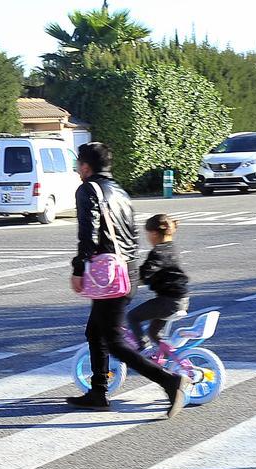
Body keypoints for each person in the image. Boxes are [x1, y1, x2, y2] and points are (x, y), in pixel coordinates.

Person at [67, 142, 190, 417]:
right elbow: (131, 235)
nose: (77, 169)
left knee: (114, 341)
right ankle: (98, 392)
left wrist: (78, 268)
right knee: (95, 331)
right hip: (127, 269)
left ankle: (170, 381)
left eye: (78, 164)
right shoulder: (120, 191)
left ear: (86, 167)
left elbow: (88, 232)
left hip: (109, 272)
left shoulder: (87, 189)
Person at [128, 215, 190, 351]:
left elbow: (145, 273)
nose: (147, 237)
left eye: (147, 234)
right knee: (154, 333)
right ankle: (173, 359)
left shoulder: (158, 252)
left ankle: (143, 347)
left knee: (132, 317)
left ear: (154, 234)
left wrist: (127, 280)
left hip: (169, 302)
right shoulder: (172, 248)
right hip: (181, 300)